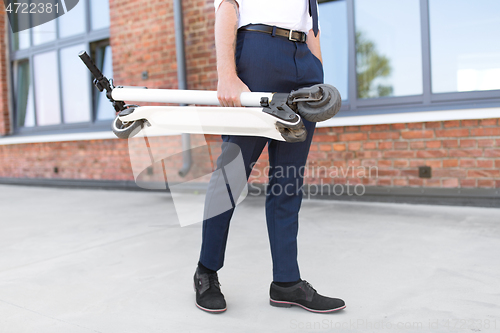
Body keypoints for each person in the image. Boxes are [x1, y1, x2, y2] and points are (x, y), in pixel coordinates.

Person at [193, 0, 346, 313]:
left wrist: (317, 70)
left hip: (304, 64)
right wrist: (227, 73)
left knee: (288, 182)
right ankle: (206, 271)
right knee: (231, 176)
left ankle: (286, 283)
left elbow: (311, 23)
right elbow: (227, 7)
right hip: (258, 55)